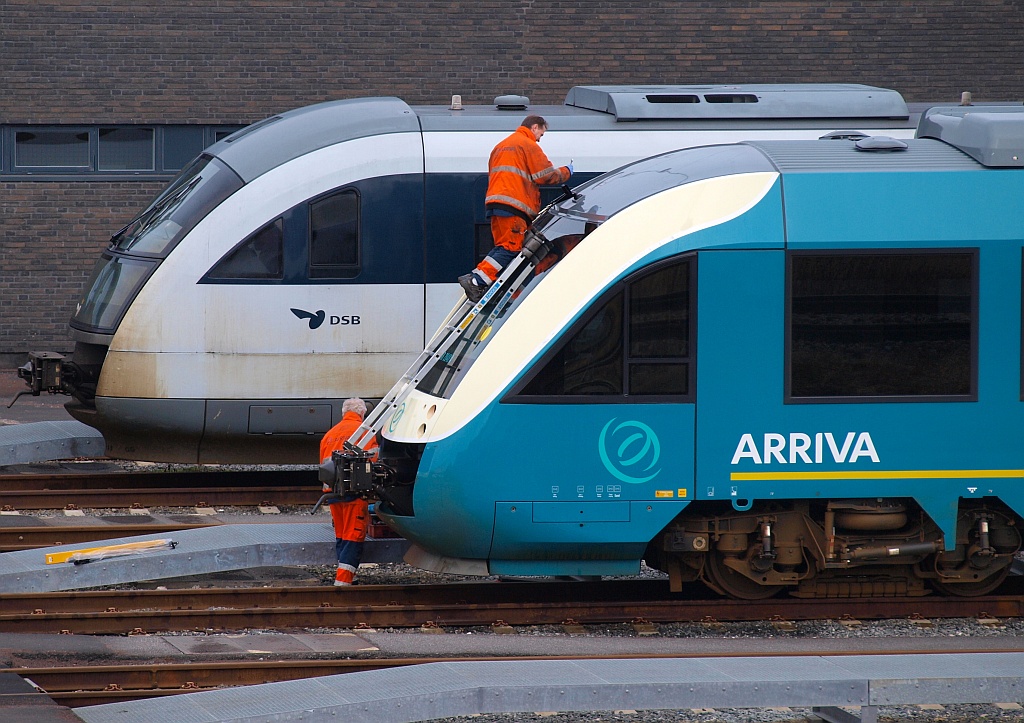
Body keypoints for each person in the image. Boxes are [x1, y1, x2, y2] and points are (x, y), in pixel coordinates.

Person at [458, 115, 572, 302]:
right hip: (514, 205)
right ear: (535, 127)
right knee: (511, 249)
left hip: (496, 204)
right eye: (541, 134)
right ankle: (476, 280)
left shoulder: (501, 146)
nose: (539, 139)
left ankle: (480, 280)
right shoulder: (528, 145)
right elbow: (546, 176)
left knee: (503, 246)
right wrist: (567, 171)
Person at [319, 397, 378, 586]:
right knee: (353, 536)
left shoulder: (329, 434)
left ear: (344, 413)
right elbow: (374, 464)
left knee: (342, 536)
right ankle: (342, 583)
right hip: (355, 495)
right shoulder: (365, 433)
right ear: (362, 414)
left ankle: (345, 576)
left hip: (333, 494)